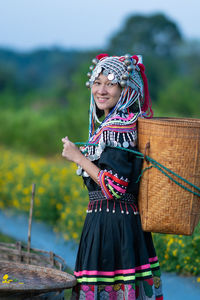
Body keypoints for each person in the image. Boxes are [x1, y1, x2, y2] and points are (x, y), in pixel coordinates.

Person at [62, 53, 163, 300]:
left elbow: (114, 187)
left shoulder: (119, 127)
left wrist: (79, 158)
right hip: (113, 225)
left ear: (126, 89)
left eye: (110, 83)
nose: (101, 90)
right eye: (97, 83)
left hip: (114, 229)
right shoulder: (112, 125)